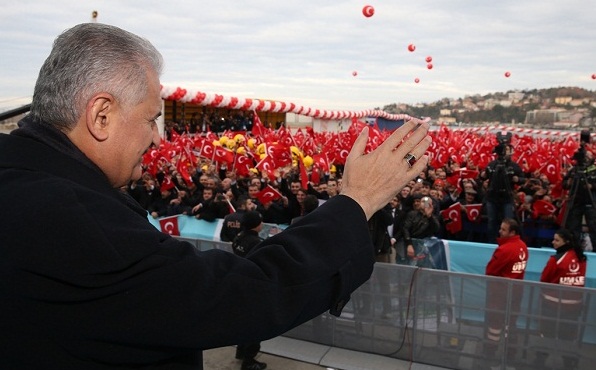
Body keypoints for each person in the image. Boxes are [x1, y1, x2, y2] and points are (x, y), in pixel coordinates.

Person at [0, 23, 431, 369]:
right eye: (151, 118)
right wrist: (358, 200)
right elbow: (237, 296)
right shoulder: (66, 217)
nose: (156, 137)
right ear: (101, 114)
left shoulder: (23, 180)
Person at [534, 229, 588, 369]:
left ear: (566, 242)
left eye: (557, 240)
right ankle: (568, 364)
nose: (553, 242)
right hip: (574, 308)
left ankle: (540, 361)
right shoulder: (582, 259)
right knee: (568, 337)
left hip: (552, 305)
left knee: (546, 334)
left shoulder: (556, 260)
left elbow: (544, 279)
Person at [483, 218, 528, 370]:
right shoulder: (523, 246)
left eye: (503, 230)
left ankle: (490, 356)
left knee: (495, 326)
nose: (499, 232)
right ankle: (510, 358)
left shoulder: (504, 249)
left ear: (512, 232)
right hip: (516, 292)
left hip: (500, 294)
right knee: (511, 325)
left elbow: (490, 270)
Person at [231, 211, 267, 370]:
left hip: (239, 285)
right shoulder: (257, 242)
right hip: (253, 288)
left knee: (243, 321)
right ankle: (249, 360)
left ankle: (240, 350)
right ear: (256, 224)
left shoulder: (239, 237)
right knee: (256, 324)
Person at [482, 142, 524, 243]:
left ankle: (509, 242)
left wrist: (517, 179)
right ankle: (492, 242)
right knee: (492, 221)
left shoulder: (514, 166)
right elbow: (484, 176)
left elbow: (524, 179)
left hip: (507, 198)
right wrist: (482, 175)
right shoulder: (492, 164)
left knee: (508, 222)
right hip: (492, 197)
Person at [398, 195, 441, 266]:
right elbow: (405, 228)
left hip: (423, 248)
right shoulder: (412, 214)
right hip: (409, 244)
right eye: (423, 201)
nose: (424, 204)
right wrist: (409, 244)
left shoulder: (433, 218)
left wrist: (429, 216)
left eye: (427, 202)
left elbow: (436, 229)